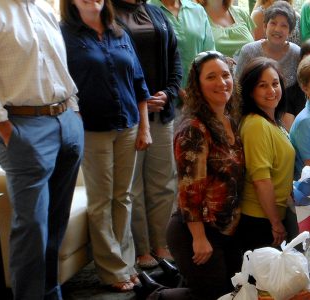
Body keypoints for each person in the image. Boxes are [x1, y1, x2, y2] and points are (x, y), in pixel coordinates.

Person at [0, 0, 84, 297]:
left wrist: (73, 111)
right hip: (24, 127)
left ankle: (51, 292)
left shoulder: (44, 9)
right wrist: (5, 128)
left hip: (67, 121)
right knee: (32, 228)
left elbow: (59, 68)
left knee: (55, 221)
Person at [61, 0, 152, 291]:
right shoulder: (63, 35)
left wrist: (145, 126)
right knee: (101, 202)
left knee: (123, 197)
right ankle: (112, 270)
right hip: (91, 130)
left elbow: (139, 83)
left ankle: (126, 263)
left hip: (129, 125)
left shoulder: (119, 32)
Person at [164, 51, 245, 299]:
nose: (221, 83)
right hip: (196, 231)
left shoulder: (230, 120)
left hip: (226, 229)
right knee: (215, 296)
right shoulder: (194, 129)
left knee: (233, 293)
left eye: (225, 75)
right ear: (197, 86)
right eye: (211, 77)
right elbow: (190, 190)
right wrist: (198, 238)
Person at [112, 0, 184, 271]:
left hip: (162, 111)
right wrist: (139, 98)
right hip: (129, 115)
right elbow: (111, 65)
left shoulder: (155, 11)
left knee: (164, 182)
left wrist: (170, 92)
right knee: (134, 187)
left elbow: (175, 58)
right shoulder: (107, 13)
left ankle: (162, 244)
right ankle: (141, 249)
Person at [238, 58, 296, 255]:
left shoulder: (273, 122)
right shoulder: (256, 124)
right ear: (251, 91)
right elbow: (261, 180)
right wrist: (275, 222)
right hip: (260, 220)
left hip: (271, 216)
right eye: (262, 86)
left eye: (275, 83)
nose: (271, 90)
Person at [150, 0, 215, 89]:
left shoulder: (197, 10)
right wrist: (176, 89)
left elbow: (210, 54)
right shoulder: (145, 10)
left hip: (199, 91)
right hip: (165, 92)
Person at [235, 1, 301, 88]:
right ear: (265, 26)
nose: (277, 29)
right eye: (273, 23)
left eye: (284, 25)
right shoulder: (249, 51)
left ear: (290, 32)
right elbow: (237, 86)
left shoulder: (297, 53)